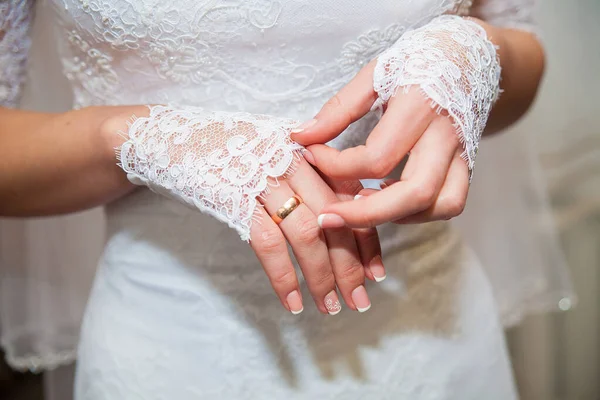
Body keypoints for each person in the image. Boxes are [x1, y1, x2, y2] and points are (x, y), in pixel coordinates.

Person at [0, 0, 563, 398]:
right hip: (174, 343)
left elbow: (522, 49)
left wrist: (471, 55)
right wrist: (137, 138)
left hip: (430, 331)